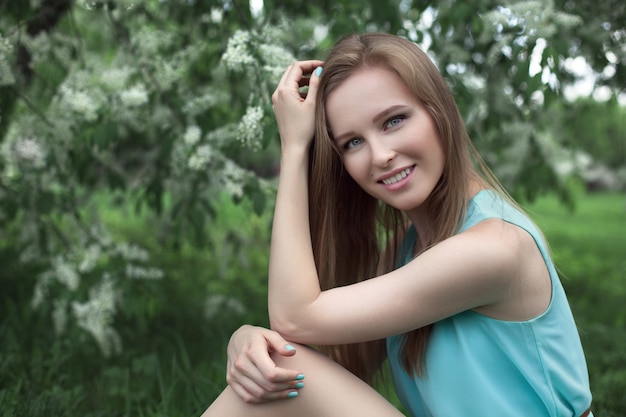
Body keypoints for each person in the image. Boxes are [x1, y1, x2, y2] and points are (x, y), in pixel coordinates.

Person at [201, 32, 593, 417]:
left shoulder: (494, 247)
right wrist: (247, 343)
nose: (380, 155)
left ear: (439, 110)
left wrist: (295, 147)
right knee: (277, 370)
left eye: (394, 121)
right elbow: (328, 360)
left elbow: (295, 318)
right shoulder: (406, 250)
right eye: (353, 142)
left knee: (285, 370)